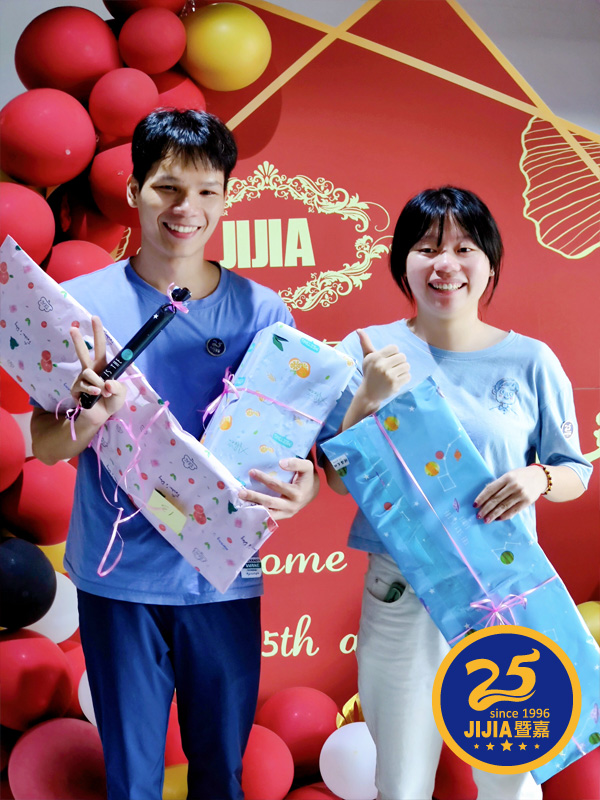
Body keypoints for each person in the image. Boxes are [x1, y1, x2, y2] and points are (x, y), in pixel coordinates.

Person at [31, 109, 319, 800]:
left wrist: (302, 489)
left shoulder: (263, 313)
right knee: (131, 781)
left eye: (204, 191)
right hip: (118, 579)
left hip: (220, 576)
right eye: (166, 187)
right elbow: (45, 444)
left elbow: (292, 450)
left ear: (225, 197)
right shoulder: (81, 305)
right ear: (134, 190)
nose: (185, 208)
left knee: (221, 772)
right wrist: (87, 415)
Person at [320, 186, 592, 800]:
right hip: (402, 584)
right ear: (403, 264)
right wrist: (367, 398)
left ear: (490, 263)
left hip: (504, 583)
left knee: (509, 777)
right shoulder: (365, 350)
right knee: (402, 780)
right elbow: (336, 478)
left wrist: (539, 478)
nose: (445, 263)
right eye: (426, 247)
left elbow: (575, 470)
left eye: (465, 248)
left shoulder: (531, 360)